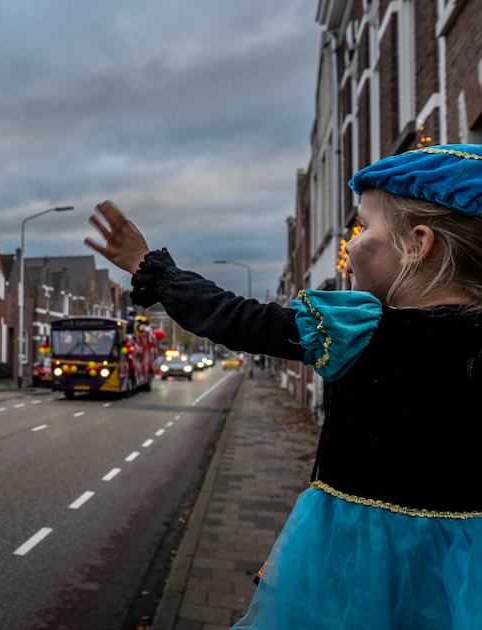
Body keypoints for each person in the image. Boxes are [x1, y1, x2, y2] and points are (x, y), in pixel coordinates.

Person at [84, 144, 482, 628]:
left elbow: (238, 318)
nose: (350, 243)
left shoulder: (361, 334)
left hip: (364, 561)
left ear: (417, 244)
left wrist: (150, 266)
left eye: (363, 227)